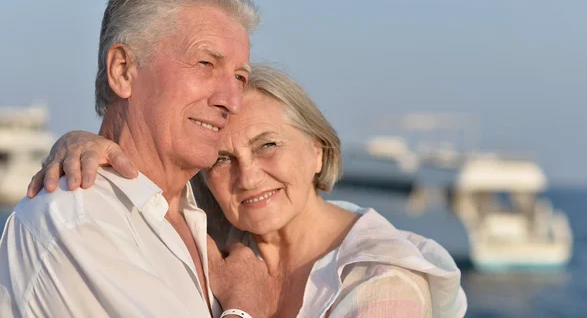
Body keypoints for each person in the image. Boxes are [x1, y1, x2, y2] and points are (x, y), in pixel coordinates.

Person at [28, 65, 468, 317]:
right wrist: (80, 142)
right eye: (221, 159)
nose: (248, 176)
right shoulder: (213, 238)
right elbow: (147, 175)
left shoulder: (383, 287)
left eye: (268, 146)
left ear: (318, 150)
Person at [0, 0, 280, 318]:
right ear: (122, 71)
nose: (232, 100)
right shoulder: (78, 218)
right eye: (206, 63)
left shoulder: (210, 215)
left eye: (240, 77)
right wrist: (247, 307)